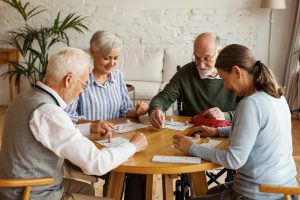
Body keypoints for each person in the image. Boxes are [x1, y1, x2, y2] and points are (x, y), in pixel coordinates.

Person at [0, 47, 148, 200]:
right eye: (83, 84)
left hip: (12, 186)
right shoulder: (49, 113)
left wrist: (91, 127)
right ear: (68, 80)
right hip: (32, 194)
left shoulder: (24, 97)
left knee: (86, 189)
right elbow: (96, 163)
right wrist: (133, 146)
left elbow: (51, 132)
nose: (82, 90)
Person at [173, 44, 298, 200]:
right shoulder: (277, 96)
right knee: (210, 192)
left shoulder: (251, 104)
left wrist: (191, 147)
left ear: (237, 71)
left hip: (259, 194)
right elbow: (256, 132)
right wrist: (217, 131)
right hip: (286, 190)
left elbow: (233, 160)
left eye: (224, 78)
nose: (225, 85)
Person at [65, 31, 148, 200]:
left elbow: (124, 108)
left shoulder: (117, 77)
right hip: (88, 145)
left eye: (116, 58)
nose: (112, 63)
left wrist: (135, 112)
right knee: (120, 166)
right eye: (107, 58)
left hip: (116, 139)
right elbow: (69, 117)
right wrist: (93, 124)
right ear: (92, 52)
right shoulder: (81, 78)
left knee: (139, 169)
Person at [149, 32, 239, 129]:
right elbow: (163, 98)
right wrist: (156, 109)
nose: (201, 65)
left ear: (219, 52)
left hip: (227, 131)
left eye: (207, 58)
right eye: (197, 58)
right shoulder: (185, 72)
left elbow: (250, 110)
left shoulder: (233, 73)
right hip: (193, 130)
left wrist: (225, 116)